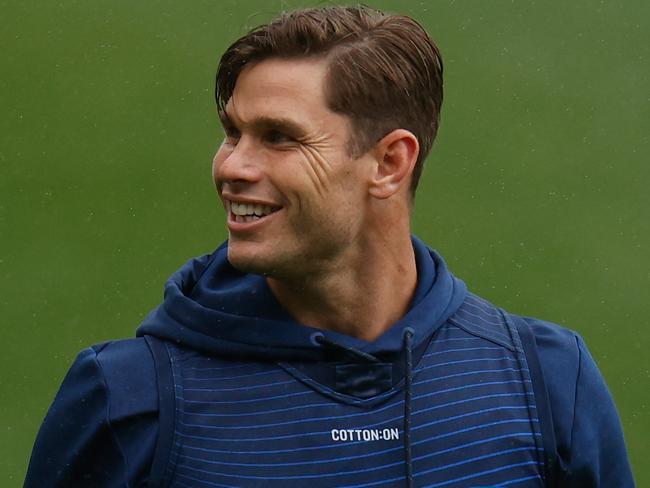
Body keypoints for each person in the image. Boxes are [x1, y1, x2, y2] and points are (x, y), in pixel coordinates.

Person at [25, 5, 634, 488]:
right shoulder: (128, 404)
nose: (232, 166)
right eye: (232, 133)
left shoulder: (547, 383)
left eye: (279, 138)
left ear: (389, 163)